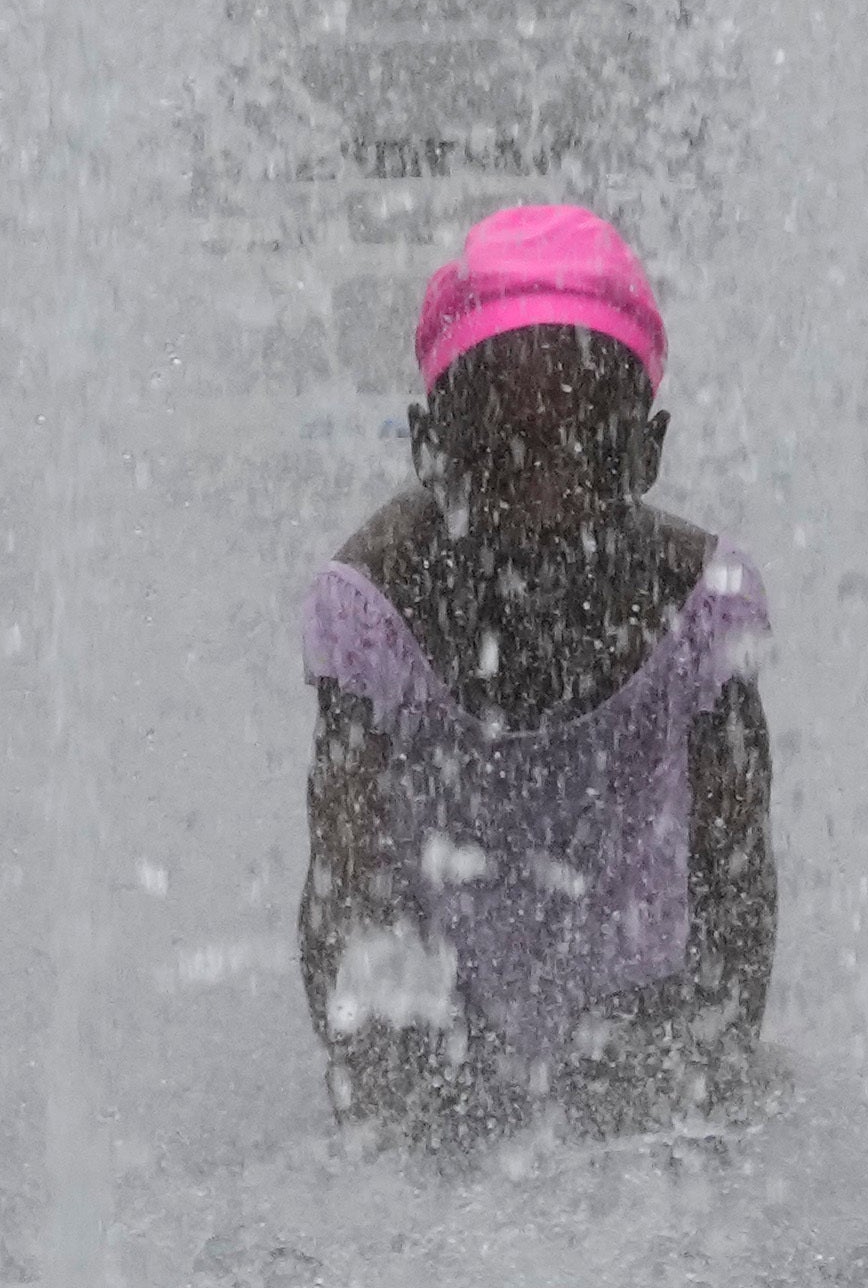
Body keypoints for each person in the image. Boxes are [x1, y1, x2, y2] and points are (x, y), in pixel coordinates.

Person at [298, 201, 774, 1149]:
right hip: (443, 1040)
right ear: (432, 448)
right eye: (503, 446)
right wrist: (407, 1078)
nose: (545, 493)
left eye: (583, 444)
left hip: (641, 1027)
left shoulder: (701, 605)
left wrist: (687, 1057)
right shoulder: (377, 608)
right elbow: (343, 916)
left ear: (645, 451)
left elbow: (740, 914)